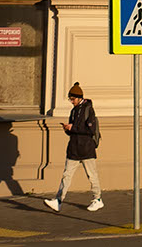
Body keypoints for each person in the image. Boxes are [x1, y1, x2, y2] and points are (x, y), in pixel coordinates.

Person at [44, 83, 104, 212]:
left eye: (72, 99)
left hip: (87, 148)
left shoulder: (88, 109)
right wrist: (67, 129)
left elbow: (91, 130)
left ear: (79, 97)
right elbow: (74, 130)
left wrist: (73, 128)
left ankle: (97, 199)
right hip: (73, 148)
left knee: (92, 175)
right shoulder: (73, 111)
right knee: (66, 175)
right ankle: (58, 200)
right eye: (70, 99)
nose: (71, 102)